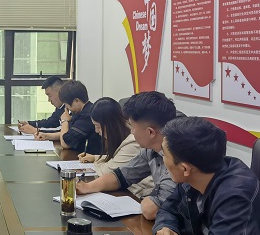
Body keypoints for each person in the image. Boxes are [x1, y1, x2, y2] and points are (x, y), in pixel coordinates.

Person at [76, 91, 177, 220]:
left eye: (133, 127)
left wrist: (148, 199)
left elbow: (151, 210)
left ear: (150, 132)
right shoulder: (150, 151)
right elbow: (121, 176)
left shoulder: (177, 158)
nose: (131, 132)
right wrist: (87, 187)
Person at [78, 97, 153, 198]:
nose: (96, 131)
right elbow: (119, 164)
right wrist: (95, 158)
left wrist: (97, 162)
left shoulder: (133, 142)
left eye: (98, 126)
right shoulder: (126, 135)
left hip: (139, 196)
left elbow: (108, 172)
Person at [34, 80, 102, 155]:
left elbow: (66, 144)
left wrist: (64, 121)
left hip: (91, 158)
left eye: (66, 104)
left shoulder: (87, 115)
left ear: (77, 101)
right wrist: (46, 136)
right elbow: (68, 133)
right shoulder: (80, 111)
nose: (66, 107)